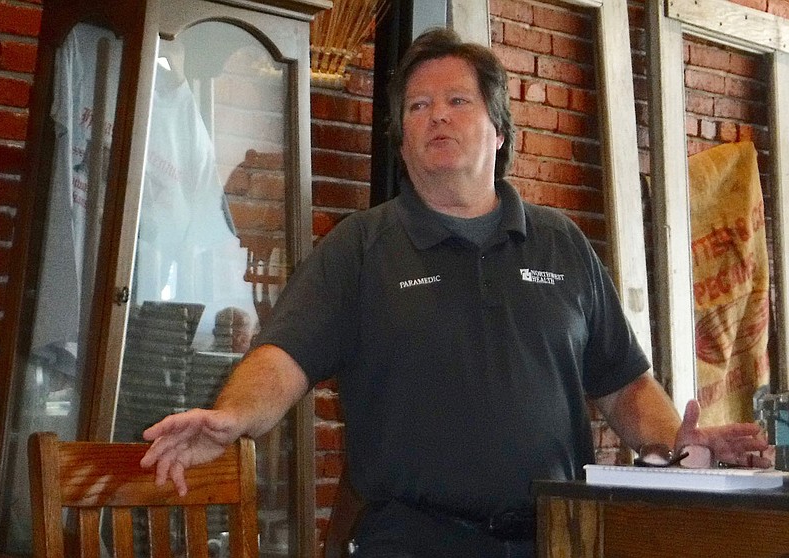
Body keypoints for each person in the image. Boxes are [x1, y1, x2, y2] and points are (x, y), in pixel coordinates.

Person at [140, 28, 770, 557]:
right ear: (403, 140)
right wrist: (233, 418)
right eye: (417, 107)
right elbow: (281, 360)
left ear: (499, 130)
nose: (436, 114)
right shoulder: (361, 247)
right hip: (411, 541)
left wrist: (675, 445)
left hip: (555, 540)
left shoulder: (561, 243)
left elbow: (624, 384)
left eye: (457, 101)